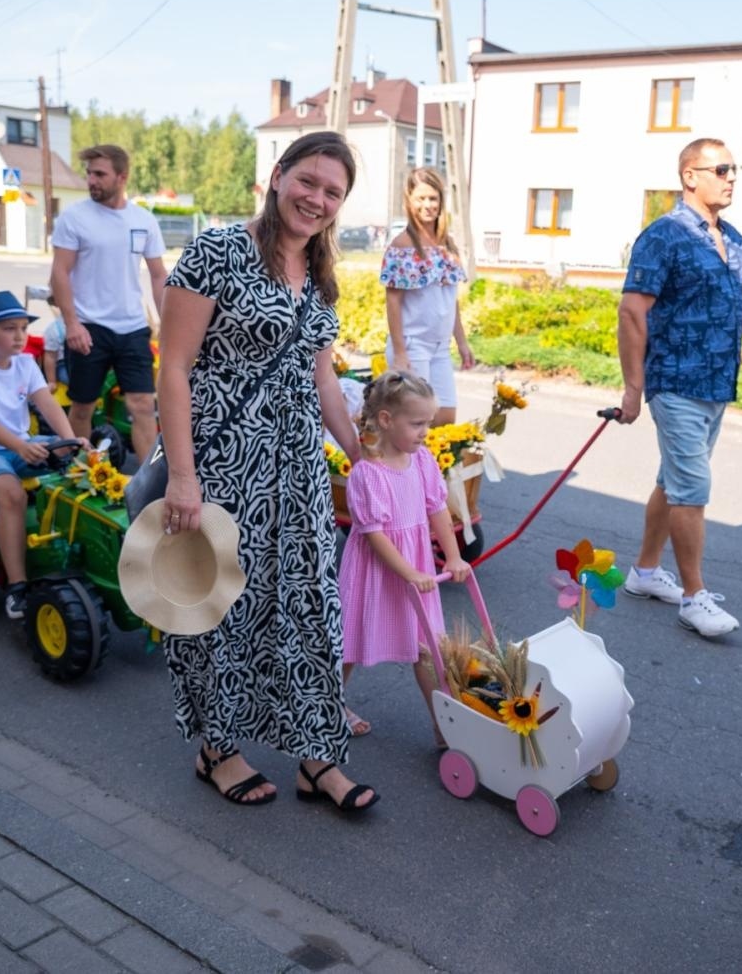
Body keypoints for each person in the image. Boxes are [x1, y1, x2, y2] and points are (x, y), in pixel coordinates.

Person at [158, 130, 375, 812]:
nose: (317, 198)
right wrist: (183, 476)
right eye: (307, 181)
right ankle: (217, 750)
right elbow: (173, 367)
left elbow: (324, 380)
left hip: (298, 471)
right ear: (277, 177)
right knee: (220, 604)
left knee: (309, 606)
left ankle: (318, 757)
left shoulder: (321, 275)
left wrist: (361, 455)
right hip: (222, 463)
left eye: (332, 192)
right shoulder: (220, 251)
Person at [616, 138, 742, 637]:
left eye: (734, 169)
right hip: (673, 380)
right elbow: (632, 312)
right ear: (689, 176)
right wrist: (634, 388)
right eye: (721, 169)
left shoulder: (735, 239)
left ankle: (645, 572)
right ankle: (695, 597)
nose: (731, 177)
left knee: (671, 480)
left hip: (716, 383)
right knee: (692, 486)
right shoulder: (664, 235)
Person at [338, 371, 471, 741]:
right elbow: (374, 534)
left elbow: (438, 509)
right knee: (351, 639)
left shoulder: (424, 460)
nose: (425, 431)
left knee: (428, 648)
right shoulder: (368, 473)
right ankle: (329, 703)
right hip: (377, 570)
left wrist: (454, 556)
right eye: (417, 423)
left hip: (417, 567)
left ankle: (443, 726)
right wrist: (408, 572)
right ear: (386, 420)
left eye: (428, 423)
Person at [0, 292, 83, 620]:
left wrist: (71, 440)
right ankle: (17, 586)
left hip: (18, 444)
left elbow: (48, 404)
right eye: (10, 329)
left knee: (77, 462)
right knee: (12, 494)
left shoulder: (25, 364)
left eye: (23, 328)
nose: (20, 336)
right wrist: (20, 446)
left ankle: (73, 550)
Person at [49, 145, 166, 462]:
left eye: (99, 174)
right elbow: (60, 272)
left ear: (122, 176)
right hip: (88, 327)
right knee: (84, 405)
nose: (91, 180)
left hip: (132, 328)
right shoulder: (75, 217)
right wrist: (72, 324)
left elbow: (158, 275)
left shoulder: (143, 220)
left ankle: (147, 485)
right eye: (88, 173)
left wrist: (168, 325)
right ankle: (79, 472)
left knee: (143, 404)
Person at [381, 168, 475, 426]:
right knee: (415, 424)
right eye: (421, 198)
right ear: (409, 200)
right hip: (413, 346)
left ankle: (431, 468)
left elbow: (450, 299)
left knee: (445, 419)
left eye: (433, 198)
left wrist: (462, 343)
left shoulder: (447, 244)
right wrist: (400, 352)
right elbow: (393, 301)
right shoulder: (402, 245)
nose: (427, 205)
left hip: (440, 348)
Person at [40, 295, 69, 386]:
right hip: (64, 364)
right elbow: (50, 357)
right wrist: (51, 381)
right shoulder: (55, 329)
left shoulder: (93, 322)